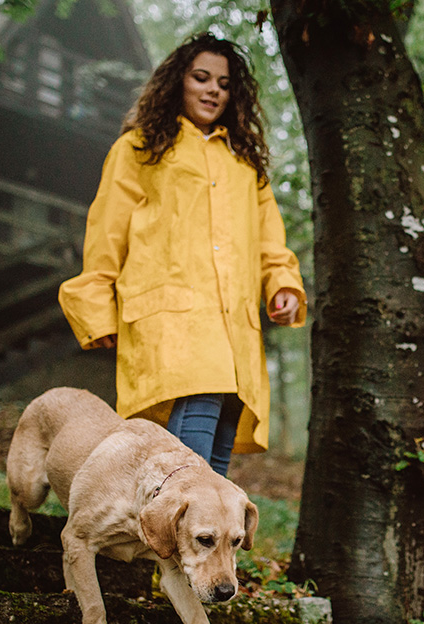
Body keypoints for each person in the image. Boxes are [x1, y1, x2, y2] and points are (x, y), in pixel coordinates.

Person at [59, 33, 306, 477]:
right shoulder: (139, 149)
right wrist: (96, 308)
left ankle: (193, 540)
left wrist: (283, 284)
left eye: (225, 83)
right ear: (179, 82)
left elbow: (271, 241)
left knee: (222, 433)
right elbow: (106, 233)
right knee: (194, 432)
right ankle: (171, 540)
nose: (214, 90)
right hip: (172, 318)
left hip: (235, 327)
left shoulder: (247, 166)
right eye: (202, 78)